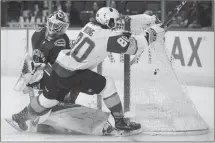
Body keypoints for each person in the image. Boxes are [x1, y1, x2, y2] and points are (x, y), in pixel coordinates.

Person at [8, 7, 165, 132]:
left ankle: (19, 117)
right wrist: (152, 33)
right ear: (109, 22)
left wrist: (146, 20)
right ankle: (120, 122)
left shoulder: (89, 26)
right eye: (114, 22)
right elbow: (135, 46)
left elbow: (118, 28)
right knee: (107, 85)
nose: (116, 24)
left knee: (49, 99)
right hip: (74, 74)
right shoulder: (108, 37)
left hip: (59, 68)